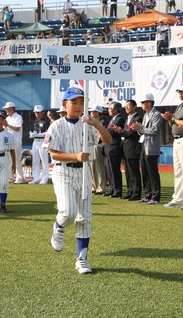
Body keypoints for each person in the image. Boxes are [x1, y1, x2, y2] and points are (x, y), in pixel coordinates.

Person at [45, 87, 112, 274]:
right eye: (74, 102)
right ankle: (58, 227)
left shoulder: (87, 124)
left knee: (85, 218)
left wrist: (95, 123)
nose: (78, 106)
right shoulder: (56, 125)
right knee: (68, 211)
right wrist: (75, 156)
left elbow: (107, 139)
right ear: (65, 104)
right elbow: (53, 154)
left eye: (82, 102)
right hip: (63, 172)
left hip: (84, 173)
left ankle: (82, 259)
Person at [133, 93, 162, 204]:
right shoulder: (146, 115)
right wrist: (138, 128)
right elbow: (143, 130)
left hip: (151, 147)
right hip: (144, 145)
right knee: (144, 171)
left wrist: (140, 127)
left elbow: (154, 130)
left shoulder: (156, 114)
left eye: (143, 102)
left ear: (149, 103)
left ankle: (155, 196)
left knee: (152, 172)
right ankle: (147, 194)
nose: (142, 105)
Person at [116, 100, 142, 200]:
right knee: (127, 171)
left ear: (135, 106)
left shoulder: (138, 118)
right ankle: (130, 191)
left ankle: (136, 193)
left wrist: (121, 131)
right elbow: (127, 132)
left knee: (134, 171)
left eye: (129, 105)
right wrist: (122, 131)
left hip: (133, 147)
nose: (126, 108)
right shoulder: (127, 118)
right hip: (125, 147)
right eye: (125, 106)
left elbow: (132, 133)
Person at [104, 102, 125, 198]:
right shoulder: (112, 119)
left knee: (114, 169)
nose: (108, 110)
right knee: (109, 169)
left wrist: (102, 131)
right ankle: (112, 188)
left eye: (110, 108)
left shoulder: (120, 118)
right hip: (108, 146)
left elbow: (111, 131)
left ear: (116, 110)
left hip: (114, 146)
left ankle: (117, 190)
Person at [2, 101, 24, 183]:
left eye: (7, 109)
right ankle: (10, 178)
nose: (6, 110)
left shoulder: (18, 117)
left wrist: (7, 125)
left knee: (17, 160)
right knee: (9, 160)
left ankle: (20, 178)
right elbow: (5, 130)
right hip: (8, 142)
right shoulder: (7, 118)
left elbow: (17, 128)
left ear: (12, 108)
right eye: (5, 109)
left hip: (16, 141)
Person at [88, 106, 108, 195]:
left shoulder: (102, 122)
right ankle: (93, 186)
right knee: (92, 166)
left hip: (99, 145)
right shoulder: (91, 122)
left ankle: (100, 187)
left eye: (94, 111)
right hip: (91, 145)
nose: (91, 112)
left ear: (98, 112)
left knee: (99, 166)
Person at [29, 105, 50, 184]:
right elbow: (30, 131)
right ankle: (36, 177)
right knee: (35, 161)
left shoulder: (46, 121)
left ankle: (45, 178)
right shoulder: (34, 121)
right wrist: (31, 134)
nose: (37, 114)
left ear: (42, 112)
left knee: (44, 160)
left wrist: (37, 135)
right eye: (36, 112)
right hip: (35, 142)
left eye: (39, 112)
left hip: (42, 142)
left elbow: (47, 133)